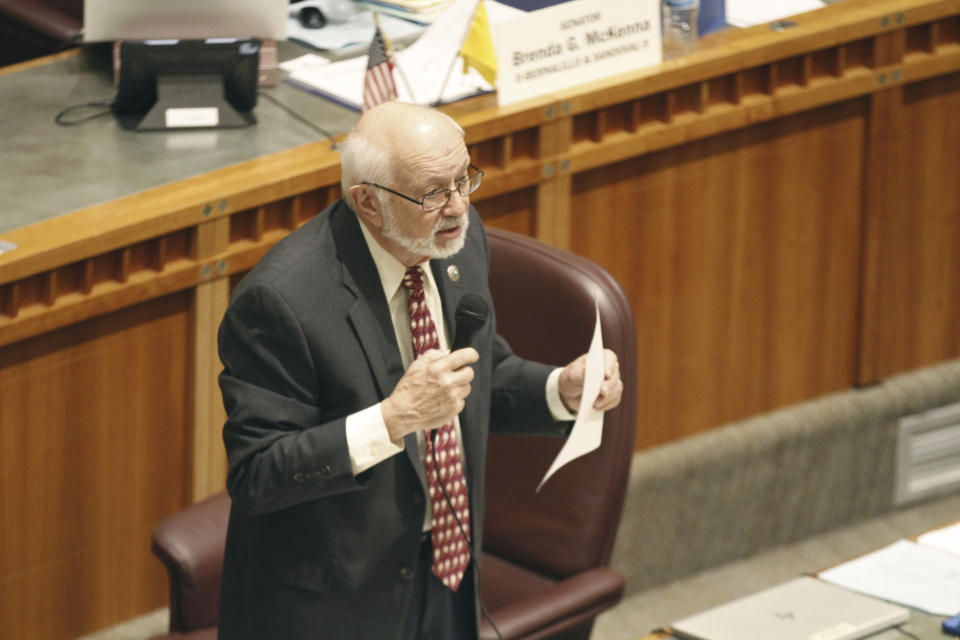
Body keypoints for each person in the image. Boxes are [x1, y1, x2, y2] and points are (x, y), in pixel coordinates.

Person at [216, 101, 623, 640]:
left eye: (465, 180)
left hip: (448, 569)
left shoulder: (456, 241)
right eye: (434, 192)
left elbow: (480, 374)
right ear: (369, 203)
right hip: (335, 604)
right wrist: (390, 420)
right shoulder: (280, 302)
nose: (458, 207)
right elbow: (258, 474)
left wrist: (559, 390)